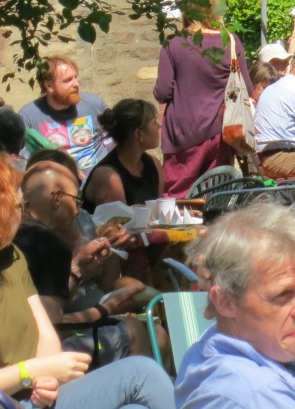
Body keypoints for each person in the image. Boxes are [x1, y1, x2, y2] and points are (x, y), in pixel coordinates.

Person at [1, 162, 175, 409]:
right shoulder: (44, 244)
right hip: (14, 396)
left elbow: (45, 333)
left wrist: (48, 379)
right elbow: (54, 321)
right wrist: (30, 371)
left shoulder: (11, 256)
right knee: (143, 370)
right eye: (19, 206)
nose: (24, 213)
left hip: (37, 391)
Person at [175, 202, 295, 408]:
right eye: (283, 295)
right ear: (225, 301)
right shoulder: (258, 395)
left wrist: (229, 257)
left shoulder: (247, 341)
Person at [18, 162, 154, 368]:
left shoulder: (16, 232)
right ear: (56, 199)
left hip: (20, 351)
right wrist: (104, 308)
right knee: (134, 329)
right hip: (39, 359)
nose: (78, 210)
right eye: (76, 201)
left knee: (149, 330)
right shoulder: (46, 244)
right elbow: (51, 323)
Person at [153, 0, 251, 197]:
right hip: (220, 131)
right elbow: (247, 87)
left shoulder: (175, 43)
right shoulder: (231, 42)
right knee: (215, 196)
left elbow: (162, 92)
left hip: (182, 133)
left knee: (178, 197)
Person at [19, 56, 110, 176]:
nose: (76, 84)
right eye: (68, 80)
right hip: (58, 188)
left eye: (75, 78)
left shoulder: (94, 104)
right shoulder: (28, 115)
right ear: (49, 86)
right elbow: (23, 160)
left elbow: (118, 138)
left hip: (98, 183)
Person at [82, 99, 162, 212]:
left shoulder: (154, 165)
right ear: (139, 134)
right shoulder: (108, 176)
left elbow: (158, 214)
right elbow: (120, 225)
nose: (159, 126)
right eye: (154, 123)